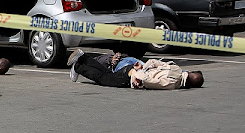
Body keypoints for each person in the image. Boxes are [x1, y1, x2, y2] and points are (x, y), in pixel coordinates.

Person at [67, 49, 204, 89]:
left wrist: (143, 66)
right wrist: (140, 77)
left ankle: (83, 58)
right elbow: (152, 82)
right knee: (102, 78)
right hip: (131, 76)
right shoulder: (173, 82)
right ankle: (79, 66)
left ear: (190, 73)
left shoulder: (176, 68)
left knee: (106, 73)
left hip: (134, 68)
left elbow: (155, 62)